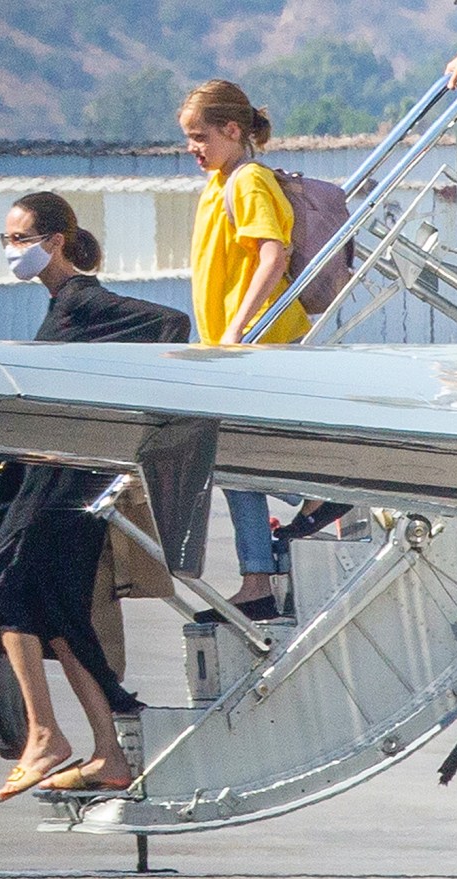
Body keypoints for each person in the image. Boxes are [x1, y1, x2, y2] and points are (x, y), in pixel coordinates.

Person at [0, 192, 191, 800]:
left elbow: (171, 325)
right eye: (6, 241)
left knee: (0, 593)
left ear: (54, 241)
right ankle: (109, 755)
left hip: (67, 487)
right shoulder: (62, 305)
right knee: (61, 620)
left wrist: (127, 419)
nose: (10, 251)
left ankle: (45, 737)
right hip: (59, 484)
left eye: (18, 239)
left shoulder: (84, 300)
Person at [178, 79, 313, 624]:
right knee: (234, 464)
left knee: (239, 457)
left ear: (232, 131)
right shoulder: (220, 179)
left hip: (259, 344)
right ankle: (256, 579)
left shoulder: (249, 179)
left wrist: (237, 328)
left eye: (199, 136)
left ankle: (312, 502)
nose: (192, 148)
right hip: (231, 347)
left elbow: (272, 254)